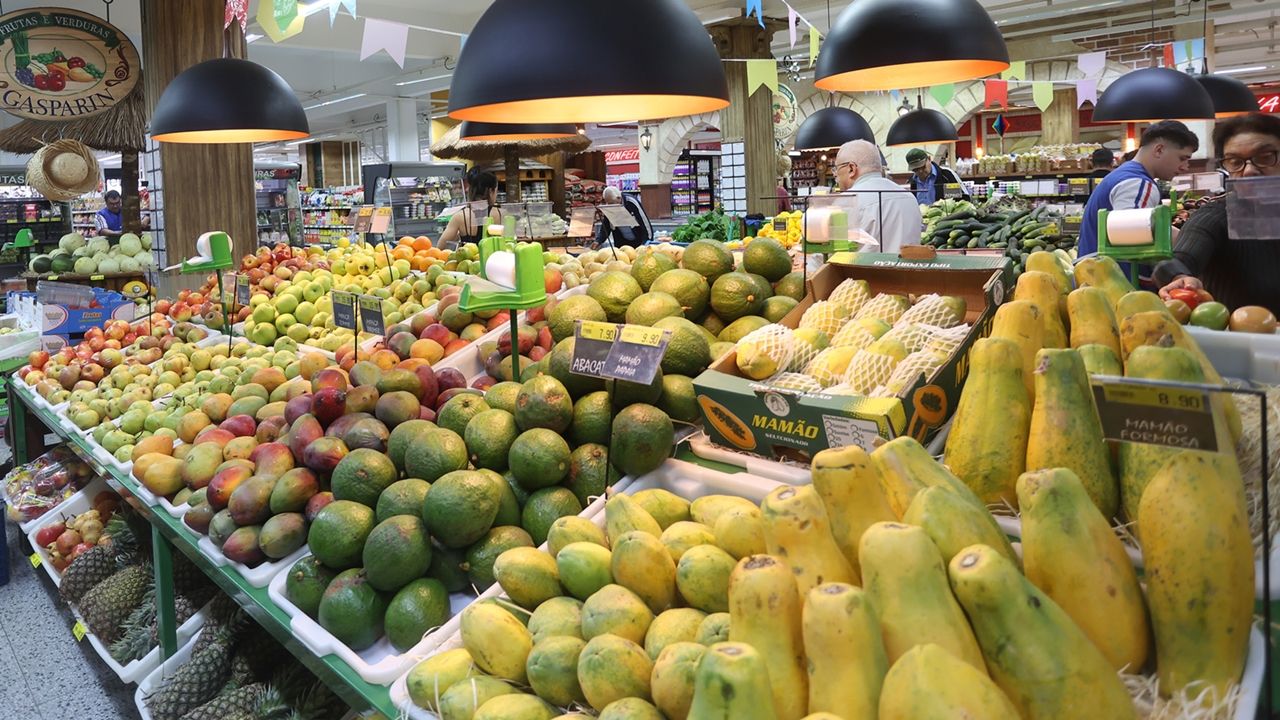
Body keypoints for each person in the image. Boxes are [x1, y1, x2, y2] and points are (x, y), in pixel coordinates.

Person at [1156, 113, 1280, 312]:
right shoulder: (1216, 216)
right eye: (1234, 161)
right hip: (1239, 340)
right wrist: (1180, 278)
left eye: (1265, 157)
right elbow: (1177, 260)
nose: (1248, 171)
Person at [1077, 120, 1198, 261]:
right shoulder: (1137, 183)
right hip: (1121, 279)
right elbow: (1134, 236)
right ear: (1159, 150)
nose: (1185, 167)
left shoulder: (1123, 175)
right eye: (1182, 158)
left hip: (1097, 275)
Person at [833, 139, 922, 253]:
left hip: (864, 270)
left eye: (837, 169)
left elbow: (833, 253)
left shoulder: (848, 201)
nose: (836, 175)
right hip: (907, 270)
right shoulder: (910, 198)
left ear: (851, 168)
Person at [437, 168, 504, 247]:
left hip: (469, 258)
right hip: (494, 258)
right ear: (490, 191)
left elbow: (440, 246)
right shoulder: (501, 214)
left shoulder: (460, 217)